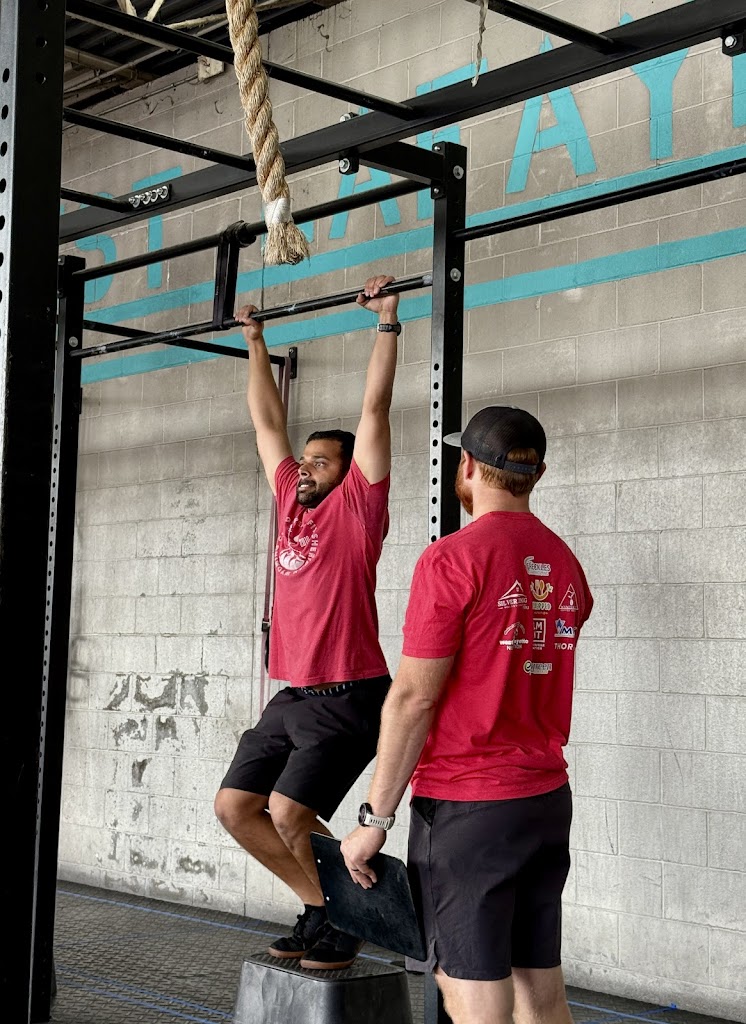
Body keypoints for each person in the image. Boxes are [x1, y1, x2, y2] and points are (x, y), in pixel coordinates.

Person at [341, 406, 593, 1024]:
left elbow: (414, 696)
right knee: (542, 991)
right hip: (543, 802)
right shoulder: (564, 564)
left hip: (469, 810)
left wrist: (374, 817)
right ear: (535, 474)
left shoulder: (452, 558)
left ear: (469, 466)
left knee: (472, 995)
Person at [213, 274, 401, 971]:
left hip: (349, 694)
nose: (306, 468)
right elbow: (267, 423)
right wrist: (254, 342)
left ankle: (344, 918)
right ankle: (329, 907)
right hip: (292, 693)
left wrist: (385, 323)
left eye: (321, 461)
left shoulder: (359, 511)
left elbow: (375, 410)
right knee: (236, 807)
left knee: (291, 814)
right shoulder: (291, 502)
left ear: (350, 473)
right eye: (308, 461)